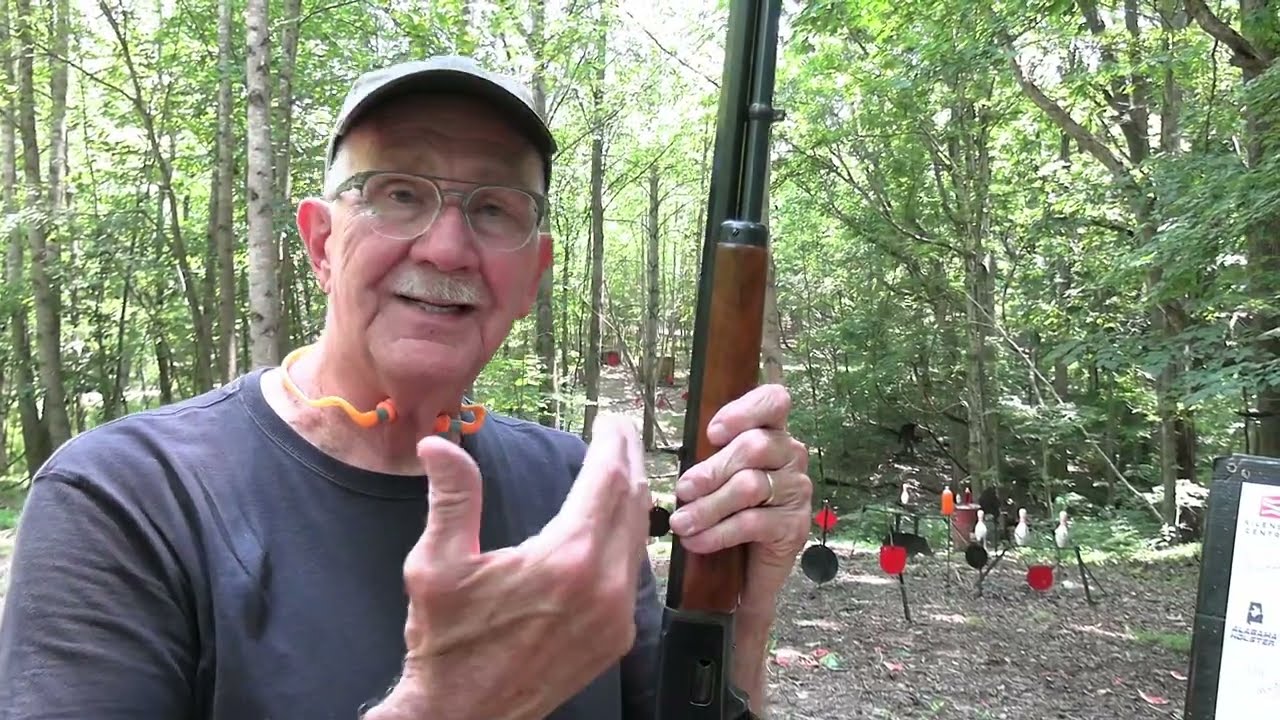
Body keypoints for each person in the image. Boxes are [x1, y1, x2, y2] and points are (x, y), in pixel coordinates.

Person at [0, 55, 813, 719]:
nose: (448, 247)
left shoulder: (577, 488)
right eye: (398, 194)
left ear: (533, 274)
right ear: (320, 243)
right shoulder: (129, 498)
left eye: (494, 208)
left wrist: (741, 614)